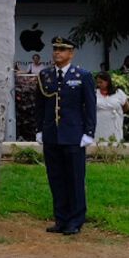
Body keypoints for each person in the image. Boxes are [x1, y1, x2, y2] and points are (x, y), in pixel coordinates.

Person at [36, 36, 96, 235]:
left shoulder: (82, 75)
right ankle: (60, 219)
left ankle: (76, 220)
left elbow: (90, 106)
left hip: (73, 135)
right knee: (56, 178)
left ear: (71, 53)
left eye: (62, 50)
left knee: (75, 178)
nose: (57, 53)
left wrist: (88, 133)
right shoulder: (45, 76)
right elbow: (40, 106)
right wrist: (39, 130)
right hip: (52, 134)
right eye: (55, 49)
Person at [94, 73, 128, 144]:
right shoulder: (94, 93)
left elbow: (127, 107)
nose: (99, 84)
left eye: (101, 82)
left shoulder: (118, 92)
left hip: (114, 122)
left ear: (107, 82)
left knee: (114, 141)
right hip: (99, 123)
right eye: (97, 82)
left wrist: (117, 113)